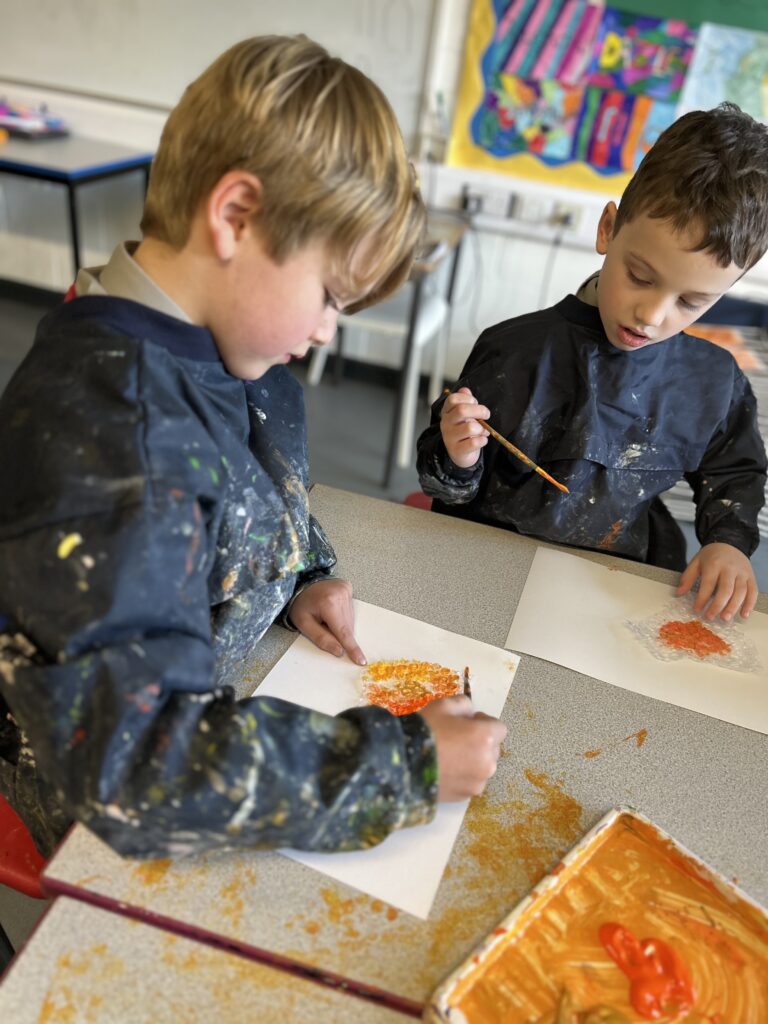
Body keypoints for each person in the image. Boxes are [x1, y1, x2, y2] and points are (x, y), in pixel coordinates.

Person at [0, 36, 507, 860]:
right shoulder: (111, 440)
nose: (324, 332)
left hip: (219, 690)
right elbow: (138, 770)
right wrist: (404, 767)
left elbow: (251, 478)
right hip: (97, 817)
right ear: (235, 216)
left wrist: (299, 569)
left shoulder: (229, 342)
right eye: (329, 296)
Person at [418, 103, 768, 624]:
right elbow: (446, 486)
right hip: (488, 566)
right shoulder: (513, 351)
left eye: (690, 302)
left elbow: (733, 471)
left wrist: (728, 542)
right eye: (641, 275)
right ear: (608, 230)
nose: (650, 315)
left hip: (616, 582)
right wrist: (458, 457)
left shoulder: (713, 383)